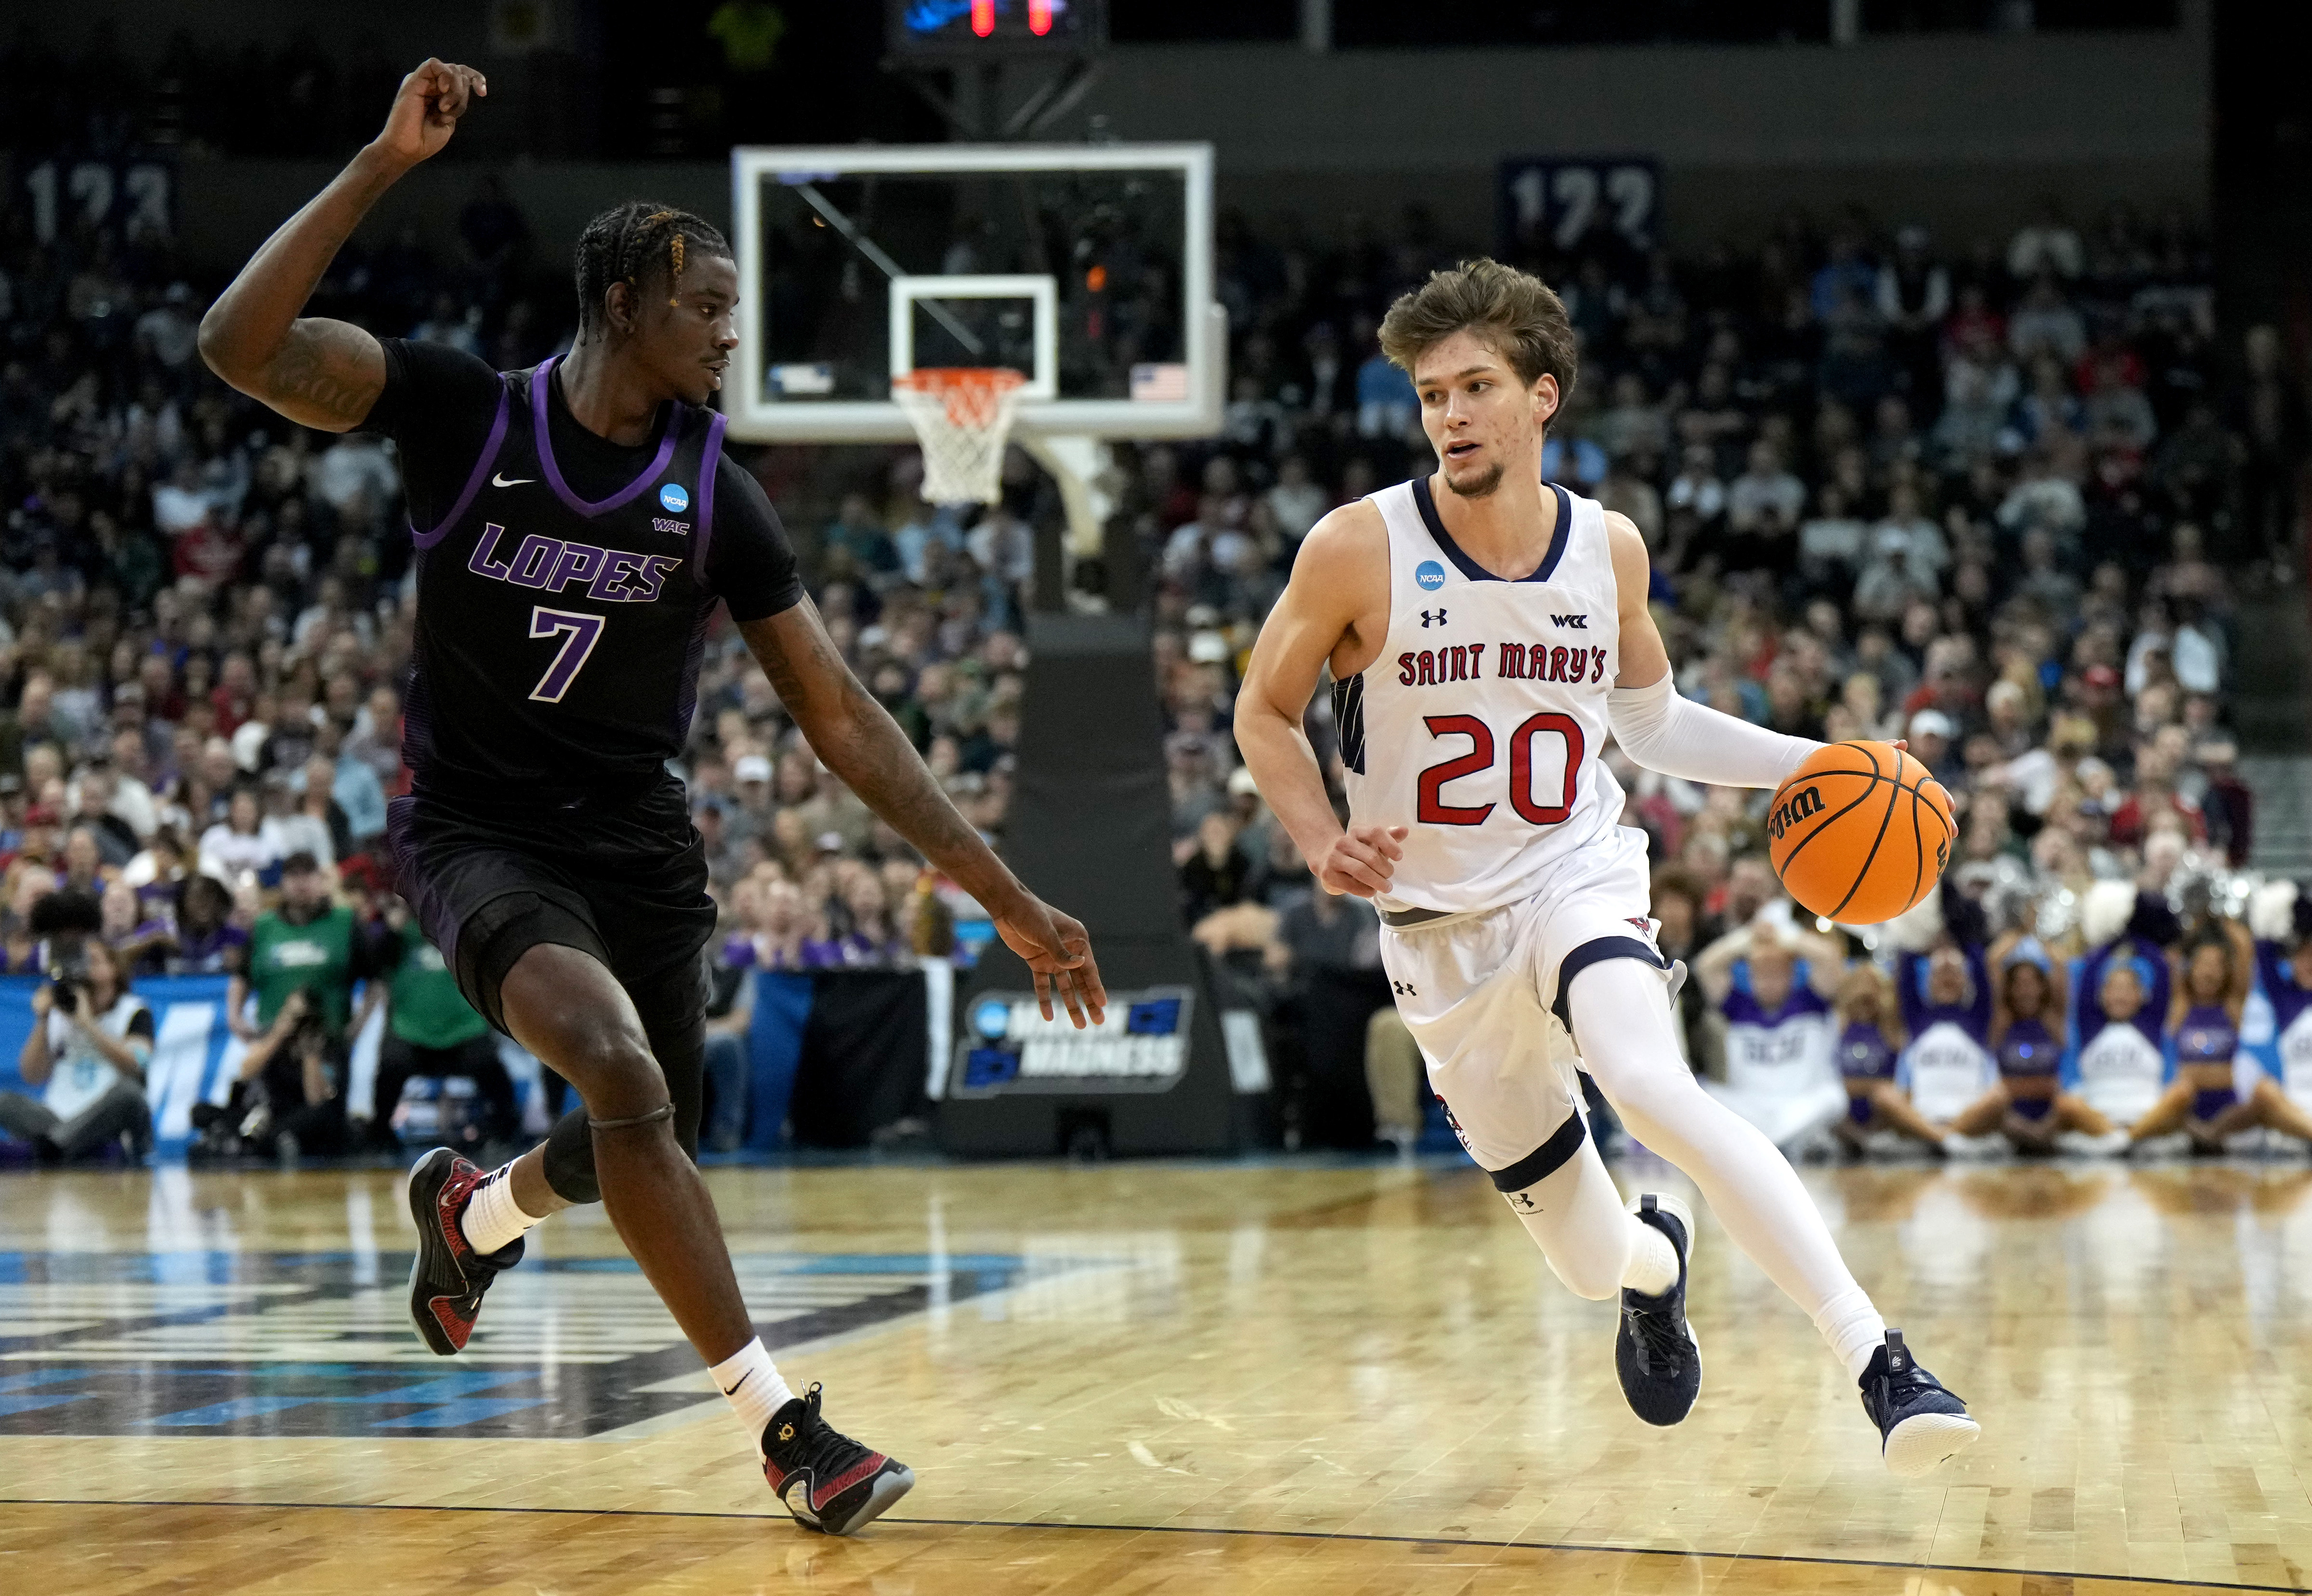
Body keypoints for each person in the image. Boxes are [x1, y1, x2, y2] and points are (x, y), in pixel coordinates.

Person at [198, 57, 1101, 1537]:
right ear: (624, 302)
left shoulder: (715, 493)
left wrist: (1005, 896)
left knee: (638, 1132)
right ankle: (791, 1435)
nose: (732, 336)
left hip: (638, 851)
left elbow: (845, 726)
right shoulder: (460, 415)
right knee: (620, 1076)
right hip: (479, 839)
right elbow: (239, 345)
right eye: (708, 309)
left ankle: (470, 1215)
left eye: (735, 313)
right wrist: (377, 165)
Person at [1233, 258, 1976, 1478]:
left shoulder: (1606, 548)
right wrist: (1320, 837)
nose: (1450, 415)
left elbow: (1651, 725)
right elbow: (1263, 713)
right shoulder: (1353, 547)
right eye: (1430, 396)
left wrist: (1832, 760)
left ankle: (1875, 1357)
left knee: (1645, 1079)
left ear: (1541, 396)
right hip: (1434, 934)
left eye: (1475, 386)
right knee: (1588, 1261)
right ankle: (1655, 1261)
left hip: (1574, 871)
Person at [2128, 929, 2312, 1152]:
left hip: (2227, 1110)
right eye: (2203, 964)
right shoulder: (2180, 1006)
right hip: (2188, 1113)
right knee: (2179, 1092)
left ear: (2226, 973)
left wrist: (2226, 922)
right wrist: (2192, 923)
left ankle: (2214, 1136)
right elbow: (2169, 959)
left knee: (2265, 1090)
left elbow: (2245, 957)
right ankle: (2123, 1140)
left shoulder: (2233, 1006)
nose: (2209, 972)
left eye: (2216, 965)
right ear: (2191, 969)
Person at [366, 894, 519, 1153]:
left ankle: (505, 1131)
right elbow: (372, 964)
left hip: (464, 1027)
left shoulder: (464, 924)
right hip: (411, 1029)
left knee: (489, 1066)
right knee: (391, 1066)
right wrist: (393, 928)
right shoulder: (398, 932)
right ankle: (380, 1135)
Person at [0, 936, 152, 1162]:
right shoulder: (61, 1013)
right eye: (80, 962)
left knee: (130, 1094)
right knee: (4, 1101)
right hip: (56, 1119)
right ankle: (67, 1148)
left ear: (114, 970)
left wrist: (87, 1024)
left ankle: (46, 1150)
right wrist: (43, 1019)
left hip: (105, 1120)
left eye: (92, 961)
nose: (84, 968)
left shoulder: (134, 1011)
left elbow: (137, 1064)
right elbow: (32, 1075)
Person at [1826, 965, 1946, 1156]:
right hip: (1845, 1115)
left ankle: (1940, 1138)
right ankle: (1858, 1141)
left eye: (1872, 986)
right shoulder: (1838, 1026)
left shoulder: (1891, 1030)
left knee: (1887, 1096)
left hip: (1882, 1117)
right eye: (1859, 984)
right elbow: (1828, 1082)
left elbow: (1903, 1085)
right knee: (1828, 1099)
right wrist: (1873, 1086)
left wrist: (1871, 1088)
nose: (1865, 993)